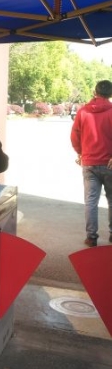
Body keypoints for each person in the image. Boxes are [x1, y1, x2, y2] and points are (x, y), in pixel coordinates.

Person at [70, 79, 112, 247]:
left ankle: (91, 237)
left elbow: (75, 135)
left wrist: (80, 152)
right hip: (109, 164)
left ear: (95, 92)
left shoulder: (83, 112)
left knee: (91, 201)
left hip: (89, 163)